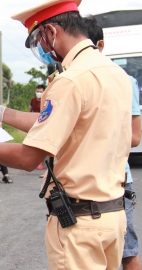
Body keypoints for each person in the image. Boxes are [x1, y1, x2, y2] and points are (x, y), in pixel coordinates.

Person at [0, 0, 133, 269]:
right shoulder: (115, 74)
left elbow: (28, 159)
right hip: (113, 216)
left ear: (51, 30)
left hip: (79, 225)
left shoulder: (70, 81)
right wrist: (0, 112)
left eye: (38, 40)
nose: (41, 49)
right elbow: (60, 123)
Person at [84, 16, 142, 270]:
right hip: (81, 185)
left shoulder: (124, 81)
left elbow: (135, 136)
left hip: (116, 181)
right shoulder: (71, 81)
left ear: (100, 46)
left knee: (127, 253)